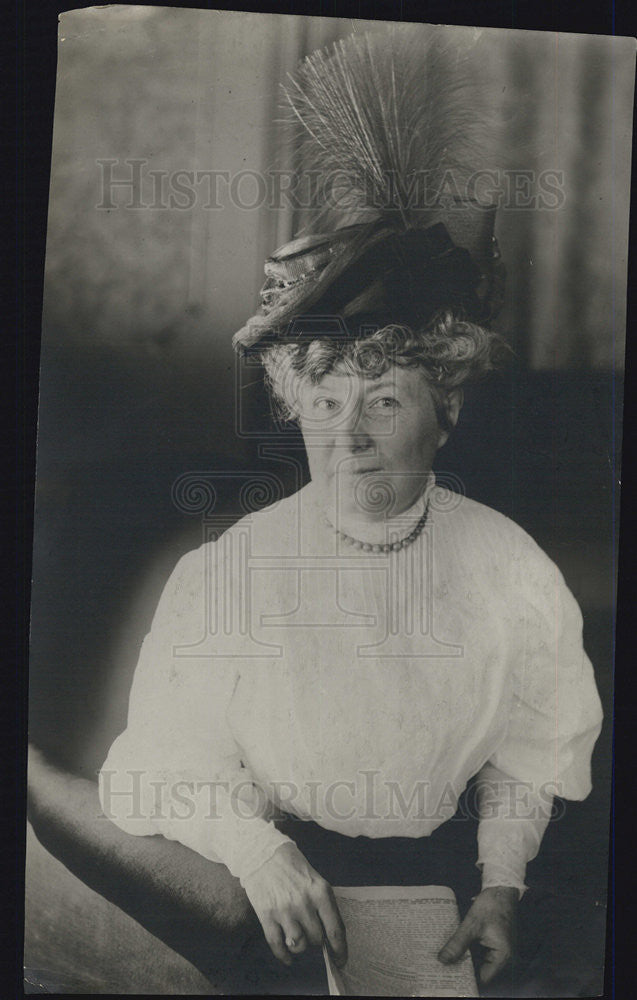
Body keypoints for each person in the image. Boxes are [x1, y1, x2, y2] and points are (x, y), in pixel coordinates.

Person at [97, 29, 603, 994]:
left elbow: (535, 747)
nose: (349, 434)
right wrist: (254, 854)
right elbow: (154, 767)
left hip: (444, 893)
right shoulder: (229, 574)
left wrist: (502, 886)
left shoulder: (509, 567)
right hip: (261, 892)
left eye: (383, 401)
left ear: (444, 412)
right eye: (324, 403)